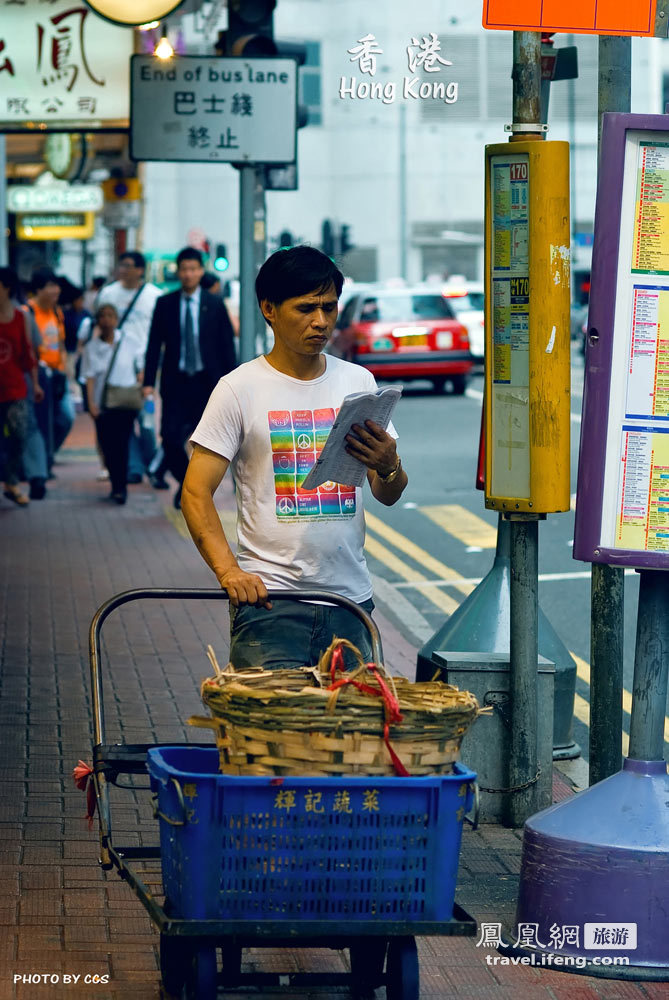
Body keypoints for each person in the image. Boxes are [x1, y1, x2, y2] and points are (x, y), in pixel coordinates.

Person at [181, 245, 408, 670]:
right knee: (269, 734)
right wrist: (229, 573)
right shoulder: (238, 388)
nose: (320, 321)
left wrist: (388, 464)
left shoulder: (358, 381)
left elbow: (389, 492)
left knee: (348, 734)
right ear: (269, 309)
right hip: (270, 605)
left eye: (329, 307)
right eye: (305, 308)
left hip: (351, 602)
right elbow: (195, 492)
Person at [143, 246, 237, 509]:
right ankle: (188, 486)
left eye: (193, 269)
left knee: (206, 442)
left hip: (208, 383)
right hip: (176, 383)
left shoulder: (215, 304)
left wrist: (233, 382)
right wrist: (148, 382)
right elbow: (154, 345)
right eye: (184, 269)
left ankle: (191, 492)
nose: (188, 274)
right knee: (171, 439)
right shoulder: (165, 304)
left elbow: (227, 345)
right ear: (179, 272)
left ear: (200, 271)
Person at [97, 251, 163, 486]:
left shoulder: (155, 296)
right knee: (123, 419)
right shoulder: (108, 293)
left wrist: (153, 369)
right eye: (121, 264)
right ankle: (135, 468)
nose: (123, 269)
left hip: (146, 365)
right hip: (115, 367)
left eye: (128, 265)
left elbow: (159, 336)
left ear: (139, 270)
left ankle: (152, 464)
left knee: (146, 420)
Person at [80, 302, 145, 505]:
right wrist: (90, 403)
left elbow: (140, 368)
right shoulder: (91, 348)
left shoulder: (129, 341)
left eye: (111, 315)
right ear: (98, 321)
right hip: (103, 404)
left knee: (122, 444)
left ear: (116, 319)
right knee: (107, 445)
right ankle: (116, 483)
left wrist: (140, 388)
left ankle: (120, 488)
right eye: (103, 316)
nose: (107, 320)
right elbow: (88, 377)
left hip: (125, 402)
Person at [0, 267, 44, 506]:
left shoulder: (21, 317)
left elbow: (28, 355)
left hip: (15, 387)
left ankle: (11, 479)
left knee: (19, 434)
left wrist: (36, 384)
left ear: (6, 288)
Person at [27, 268, 74, 471]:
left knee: (65, 417)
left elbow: (61, 343)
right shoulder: (28, 311)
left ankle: (46, 455)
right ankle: (41, 462)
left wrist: (64, 368)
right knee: (41, 421)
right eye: (51, 286)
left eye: (57, 286)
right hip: (37, 375)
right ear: (38, 289)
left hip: (57, 376)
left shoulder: (57, 312)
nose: (56, 290)